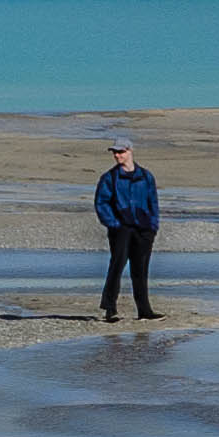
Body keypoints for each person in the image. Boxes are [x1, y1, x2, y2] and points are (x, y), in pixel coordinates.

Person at [94, 136, 162, 322]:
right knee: (117, 266)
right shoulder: (110, 178)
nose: (117, 155)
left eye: (121, 152)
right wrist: (114, 224)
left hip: (143, 228)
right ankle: (109, 309)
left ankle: (144, 311)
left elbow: (153, 202)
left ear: (130, 151)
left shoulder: (146, 176)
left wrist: (152, 226)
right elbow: (102, 203)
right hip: (120, 229)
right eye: (115, 152)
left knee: (140, 270)